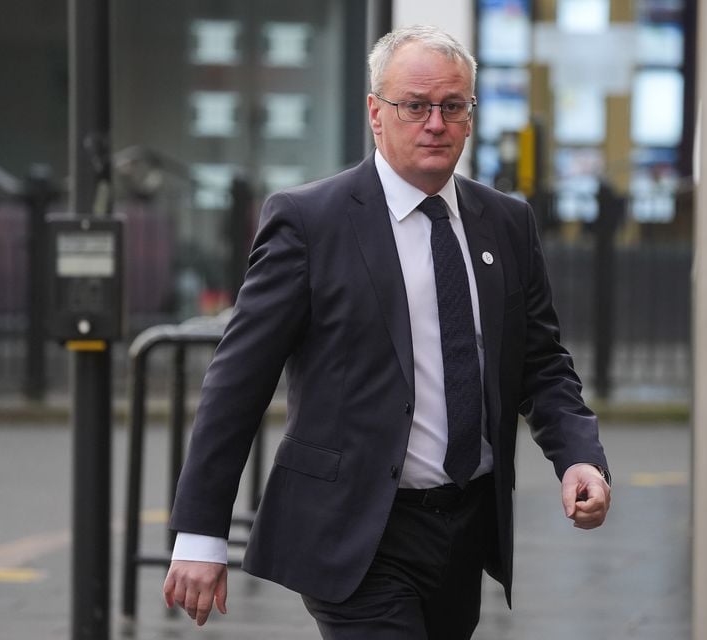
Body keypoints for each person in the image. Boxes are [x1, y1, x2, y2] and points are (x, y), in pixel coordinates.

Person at [163, 24, 611, 640]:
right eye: (415, 106)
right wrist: (200, 532)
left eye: (452, 106)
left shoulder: (506, 222)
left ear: (471, 116)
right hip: (355, 534)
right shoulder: (308, 222)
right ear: (377, 113)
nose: (435, 123)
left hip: (463, 529)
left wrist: (579, 457)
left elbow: (540, 361)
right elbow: (236, 383)